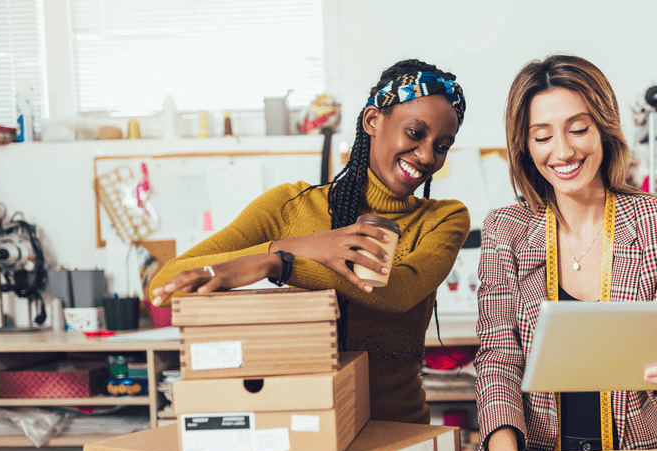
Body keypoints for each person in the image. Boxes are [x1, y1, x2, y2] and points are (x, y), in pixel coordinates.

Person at [439, 54, 657, 451]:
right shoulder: (506, 230)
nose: (562, 152)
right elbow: (498, 359)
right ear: (524, 146)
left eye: (578, 129)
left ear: (604, 127)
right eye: (542, 136)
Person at [151, 59, 469, 424]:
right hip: (302, 428)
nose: (428, 156)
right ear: (372, 121)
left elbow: (398, 291)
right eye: (415, 133)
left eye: (442, 146)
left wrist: (281, 265)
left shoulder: (443, 218)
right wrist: (288, 249)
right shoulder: (289, 207)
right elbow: (164, 284)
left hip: (397, 431)